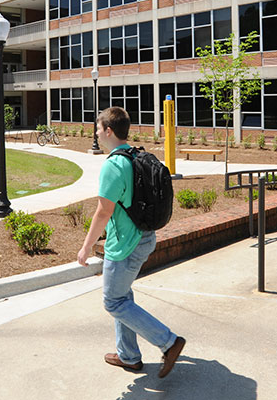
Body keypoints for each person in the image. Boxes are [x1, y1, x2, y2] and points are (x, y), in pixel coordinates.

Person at [77, 106, 186, 378]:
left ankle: (169, 342)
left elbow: (104, 211)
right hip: (144, 236)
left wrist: (87, 245)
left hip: (125, 245)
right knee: (122, 296)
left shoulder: (114, 164)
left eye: (99, 130)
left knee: (113, 302)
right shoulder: (136, 154)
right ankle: (129, 356)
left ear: (109, 130)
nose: (97, 135)